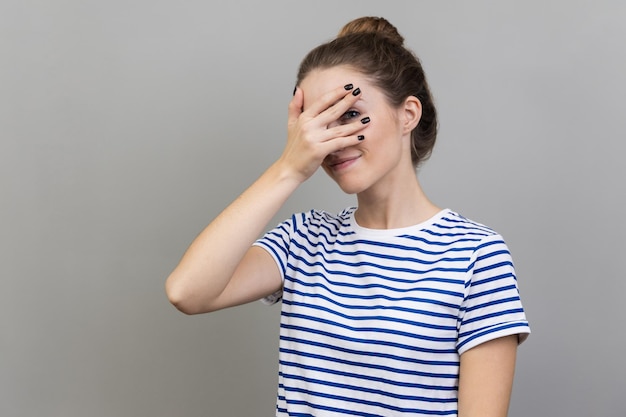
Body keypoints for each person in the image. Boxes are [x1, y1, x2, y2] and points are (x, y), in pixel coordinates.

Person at [166, 16, 530, 417]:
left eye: (350, 114)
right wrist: (288, 169)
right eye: (317, 124)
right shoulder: (304, 239)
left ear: (407, 114)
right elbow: (188, 291)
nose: (332, 141)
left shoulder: (476, 255)